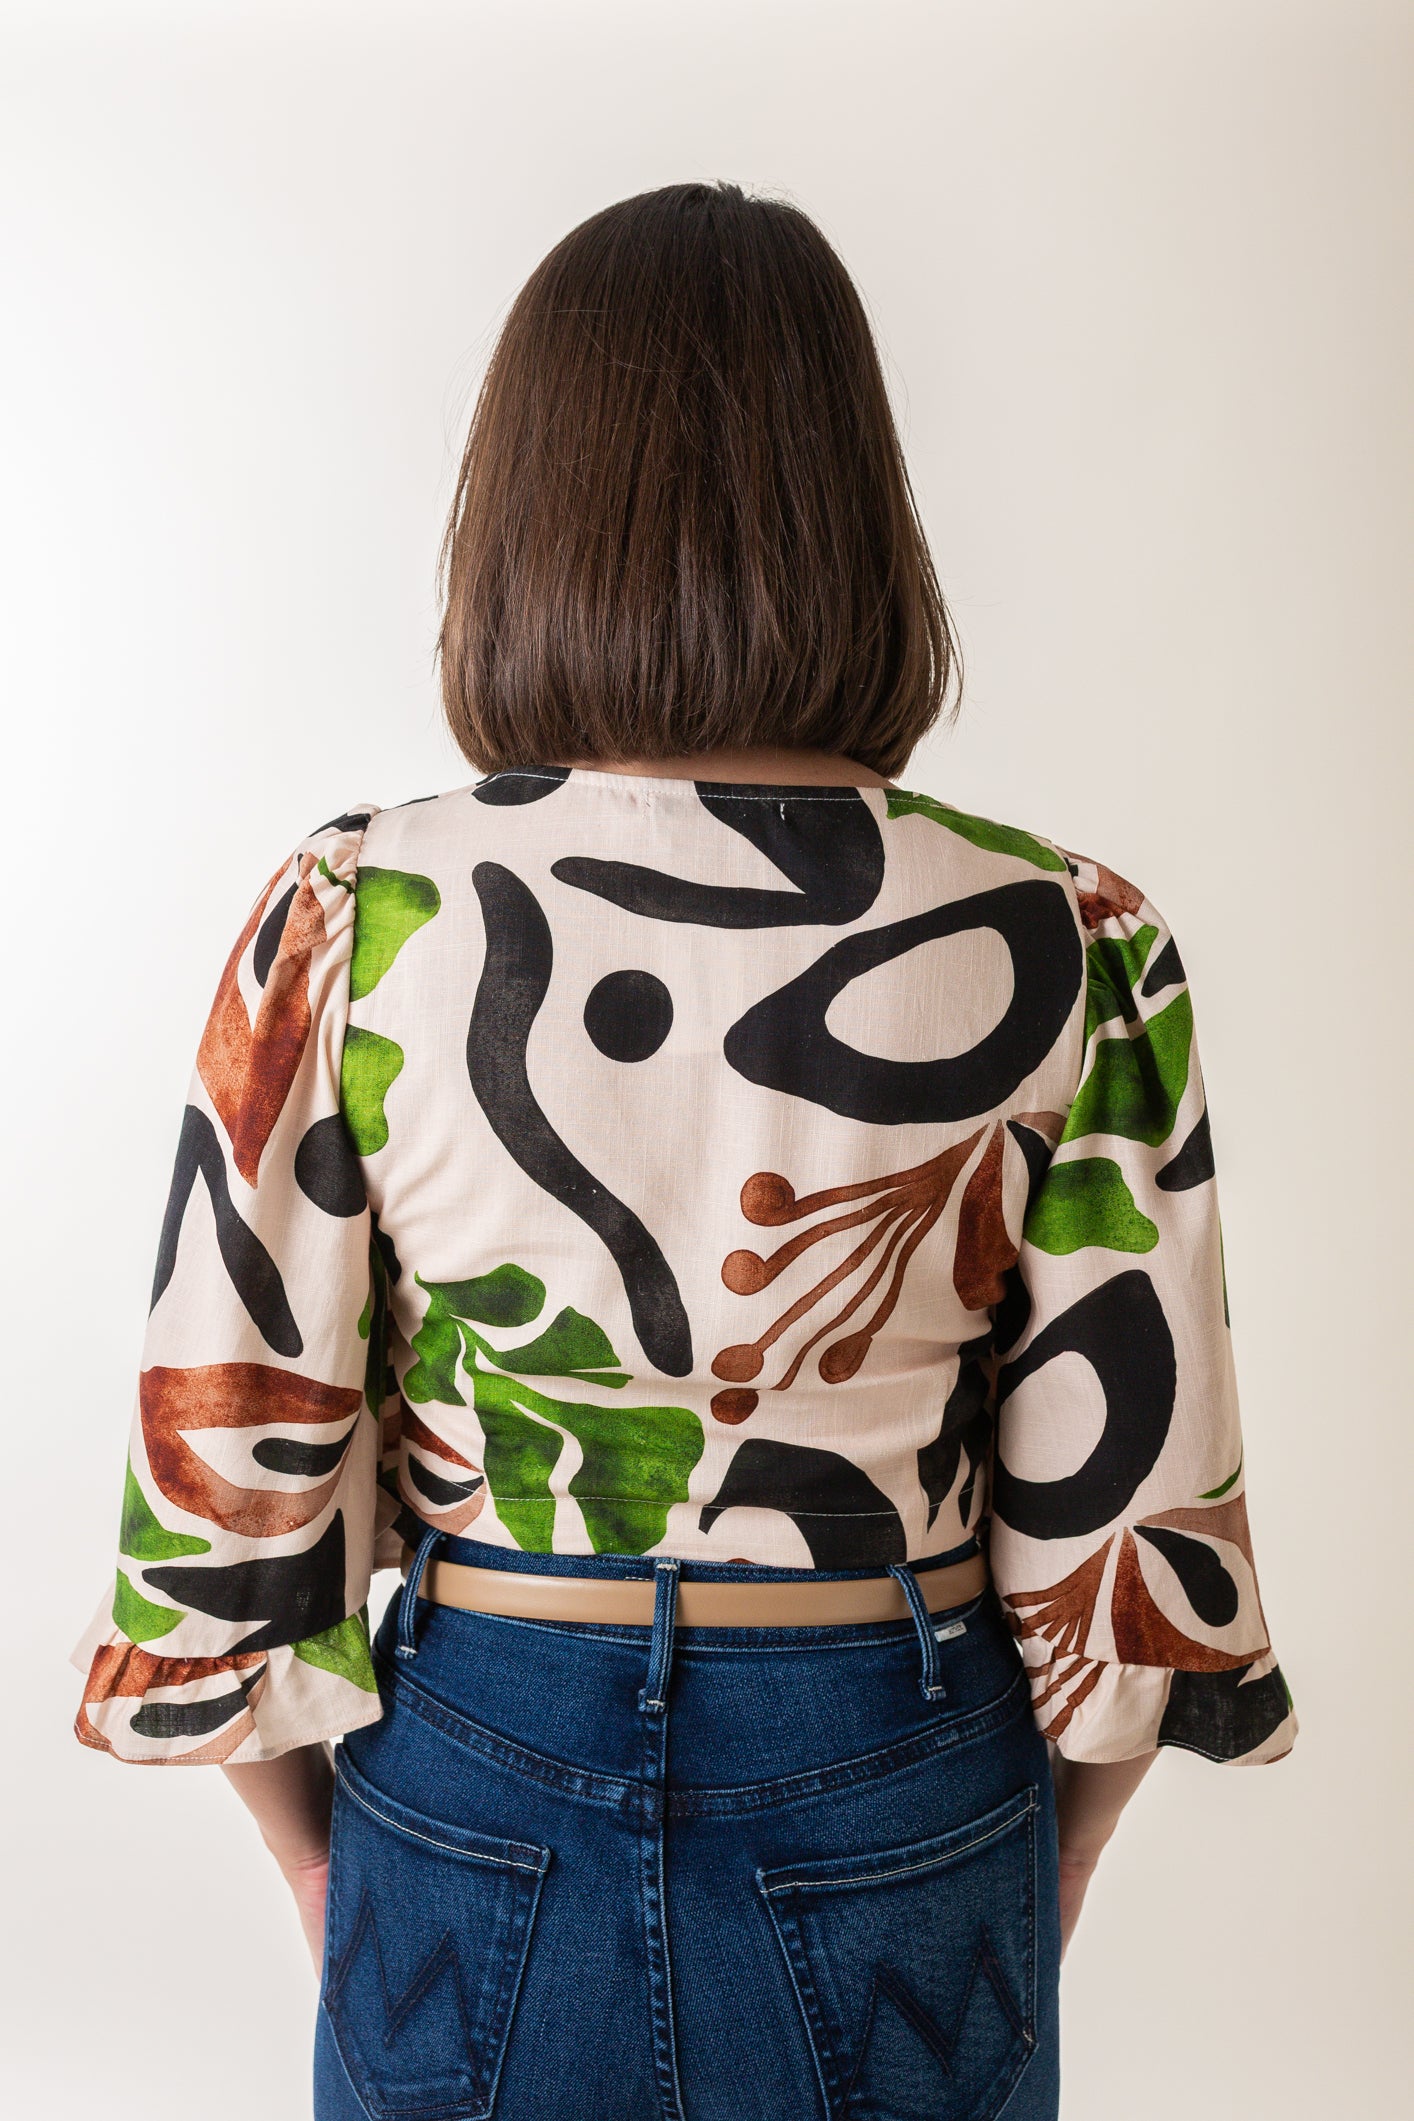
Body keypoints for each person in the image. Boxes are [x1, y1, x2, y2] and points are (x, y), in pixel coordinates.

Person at [72, 181, 1296, 2121]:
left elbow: (223, 1485)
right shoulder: (1066, 938)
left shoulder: (356, 915)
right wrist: (1040, 1861)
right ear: (857, 512)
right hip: (897, 1749)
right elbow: (1134, 1516)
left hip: (477, 1737)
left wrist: (323, 1863)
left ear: (520, 513)